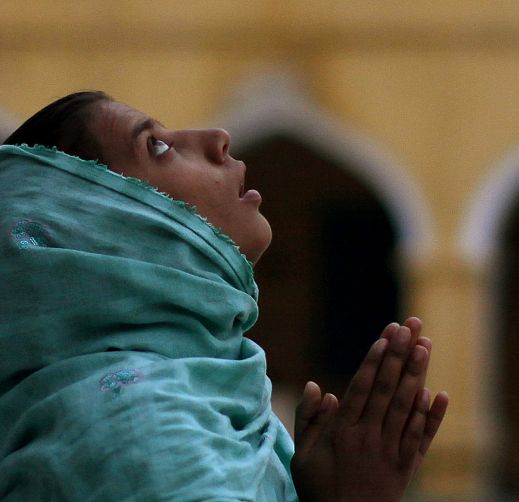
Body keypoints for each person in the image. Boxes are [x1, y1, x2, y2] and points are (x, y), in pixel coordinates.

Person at [0, 91, 448, 501]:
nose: (219, 139)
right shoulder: (138, 427)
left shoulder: (198, 399)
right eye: (157, 147)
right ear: (108, 227)